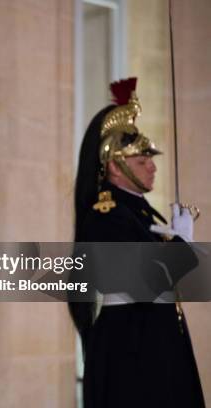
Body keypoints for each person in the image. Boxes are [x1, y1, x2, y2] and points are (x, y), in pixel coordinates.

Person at [70, 78, 205, 407]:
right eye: (142, 162)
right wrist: (182, 246)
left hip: (155, 345)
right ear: (115, 167)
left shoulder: (141, 214)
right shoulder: (105, 215)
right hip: (131, 352)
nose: (152, 167)